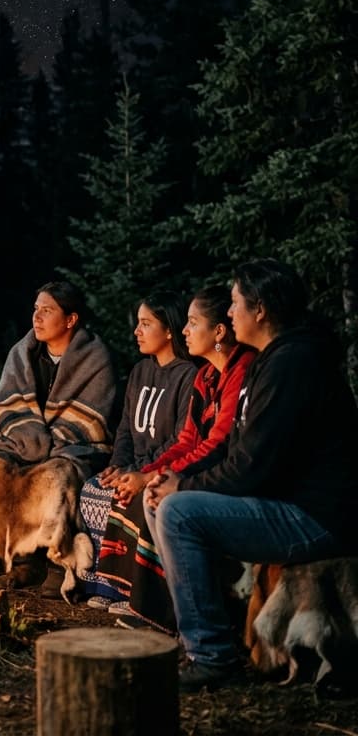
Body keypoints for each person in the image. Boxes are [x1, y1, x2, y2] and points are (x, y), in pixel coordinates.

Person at [146, 259, 358, 692]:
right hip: (289, 501)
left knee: (178, 514)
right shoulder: (272, 360)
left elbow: (252, 466)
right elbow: (231, 449)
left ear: (260, 310)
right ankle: (205, 633)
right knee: (163, 501)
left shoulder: (293, 364)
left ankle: (212, 655)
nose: (229, 313)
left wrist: (184, 487)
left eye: (236, 303)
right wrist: (171, 476)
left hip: (318, 516)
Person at [89, 285, 254, 631]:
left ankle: (162, 612)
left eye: (193, 323)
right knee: (138, 490)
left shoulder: (239, 372)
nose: (185, 331)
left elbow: (218, 444)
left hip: (230, 477)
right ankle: (134, 597)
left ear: (219, 331)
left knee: (159, 499)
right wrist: (142, 473)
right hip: (201, 469)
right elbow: (186, 441)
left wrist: (151, 478)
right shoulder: (207, 376)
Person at [0, 280, 117, 593]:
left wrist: (50, 445)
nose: (36, 317)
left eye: (47, 311)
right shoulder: (22, 353)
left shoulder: (94, 357)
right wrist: (30, 440)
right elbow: (8, 406)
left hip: (74, 445)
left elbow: (92, 417)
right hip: (23, 441)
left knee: (57, 475)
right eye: (35, 309)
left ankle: (56, 560)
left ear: (70, 319)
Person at [79, 291, 195, 605]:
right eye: (138, 324)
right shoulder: (140, 371)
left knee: (132, 496)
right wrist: (118, 465)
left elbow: (181, 440)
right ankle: (103, 584)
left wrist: (139, 474)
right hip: (134, 466)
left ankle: (134, 591)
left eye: (146, 324)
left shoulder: (188, 375)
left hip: (160, 469)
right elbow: (126, 428)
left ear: (169, 330)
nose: (137, 331)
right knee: (94, 488)